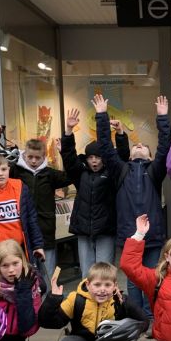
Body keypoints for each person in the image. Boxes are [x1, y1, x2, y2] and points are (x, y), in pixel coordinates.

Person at [97, 94, 171, 323]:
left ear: (150, 156)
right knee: (132, 279)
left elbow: (164, 148)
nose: (139, 146)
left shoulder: (154, 171)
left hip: (153, 235)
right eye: (136, 145)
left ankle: (149, 317)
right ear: (129, 155)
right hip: (129, 235)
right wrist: (101, 115)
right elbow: (105, 147)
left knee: (150, 277)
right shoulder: (121, 170)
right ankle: (136, 316)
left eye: (144, 146)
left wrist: (163, 118)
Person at [5, 130, 74, 281]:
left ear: (44, 157)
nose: (34, 161)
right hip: (22, 230)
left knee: (47, 274)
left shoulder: (49, 174)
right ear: (24, 155)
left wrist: (65, 153)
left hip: (45, 230)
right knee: (24, 274)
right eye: (30, 157)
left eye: (38, 157)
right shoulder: (15, 172)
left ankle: (48, 296)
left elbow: (71, 176)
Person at [61, 108, 118, 276]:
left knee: (104, 271)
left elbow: (118, 155)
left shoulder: (112, 174)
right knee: (86, 273)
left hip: (105, 229)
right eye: (91, 157)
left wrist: (117, 133)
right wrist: (68, 131)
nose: (94, 161)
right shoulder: (80, 173)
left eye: (98, 157)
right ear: (86, 159)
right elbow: (69, 157)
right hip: (83, 229)